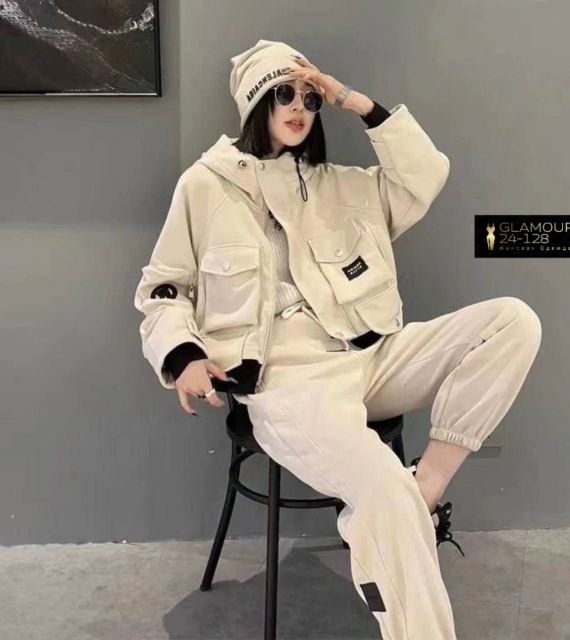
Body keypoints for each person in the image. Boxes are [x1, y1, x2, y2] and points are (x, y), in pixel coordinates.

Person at [133, 39, 542, 640]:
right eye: (283, 94)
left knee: (512, 320)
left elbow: (427, 175)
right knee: (383, 492)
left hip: (371, 356)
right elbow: (163, 289)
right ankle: (405, 532)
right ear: (256, 104)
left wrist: (354, 101)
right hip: (288, 383)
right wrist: (183, 354)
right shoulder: (204, 185)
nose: (299, 107)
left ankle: (424, 487)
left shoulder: (342, 186)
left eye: (310, 97)